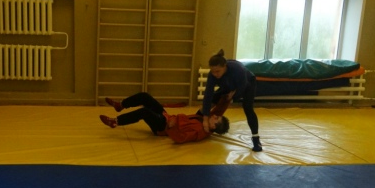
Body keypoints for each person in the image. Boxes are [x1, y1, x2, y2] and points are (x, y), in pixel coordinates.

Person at [99, 92, 229, 144]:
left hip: (163, 127)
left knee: (145, 112)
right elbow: (209, 107)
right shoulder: (204, 120)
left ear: (213, 126)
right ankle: (120, 105)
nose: (214, 115)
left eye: (216, 119)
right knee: (145, 97)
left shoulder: (199, 131)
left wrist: (172, 128)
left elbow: (182, 138)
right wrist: (226, 96)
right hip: (167, 117)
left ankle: (115, 121)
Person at [200, 49, 262, 152]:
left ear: (225, 66)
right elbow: (208, 95)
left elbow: (243, 86)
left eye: (217, 71)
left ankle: (256, 138)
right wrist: (205, 119)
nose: (215, 74)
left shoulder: (237, 69)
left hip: (248, 83)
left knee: (248, 108)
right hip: (228, 85)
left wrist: (233, 97)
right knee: (212, 99)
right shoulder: (213, 75)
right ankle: (196, 120)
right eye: (213, 71)